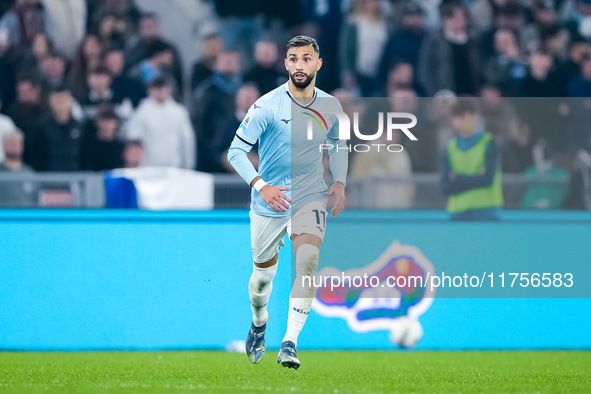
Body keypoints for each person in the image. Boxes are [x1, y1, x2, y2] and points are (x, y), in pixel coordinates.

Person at [227, 35, 348, 369]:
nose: (299, 65)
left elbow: (338, 146)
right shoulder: (267, 105)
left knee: (308, 263)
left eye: (306, 58)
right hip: (270, 202)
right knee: (262, 280)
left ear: (318, 64)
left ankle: (290, 343)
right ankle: (258, 321)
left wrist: (338, 181)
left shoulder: (330, 106)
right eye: (293, 59)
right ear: (285, 64)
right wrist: (261, 185)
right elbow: (236, 151)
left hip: (309, 196)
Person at [440, 98, 503, 220]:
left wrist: (458, 177)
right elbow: (445, 186)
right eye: (457, 117)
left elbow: (487, 179)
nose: (460, 121)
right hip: (458, 211)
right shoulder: (450, 147)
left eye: (464, 116)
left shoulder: (489, 143)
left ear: (475, 117)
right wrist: (476, 177)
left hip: (486, 210)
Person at [126, 77, 195, 169]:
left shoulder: (179, 112)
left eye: (163, 88)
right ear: (150, 91)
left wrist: (189, 164)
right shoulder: (141, 112)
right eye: (157, 89)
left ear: (169, 89)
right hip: (148, 166)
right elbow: (134, 139)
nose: (160, 92)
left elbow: (187, 140)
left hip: (174, 165)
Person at [37, 86, 83, 171]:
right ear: (50, 102)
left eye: (64, 100)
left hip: (75, 176)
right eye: (57, 100)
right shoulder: (41, 128)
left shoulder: (80, 127)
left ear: (70, 101)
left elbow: (84, 154)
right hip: (49, 177)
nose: (61, 104)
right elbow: (37, 155)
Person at [81, 105, 124, 171]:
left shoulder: (121, 147)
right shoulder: (88, 145)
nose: (106, 125)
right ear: (97, 123)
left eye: (109, 121)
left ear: (115, 124)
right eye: (104, 121)